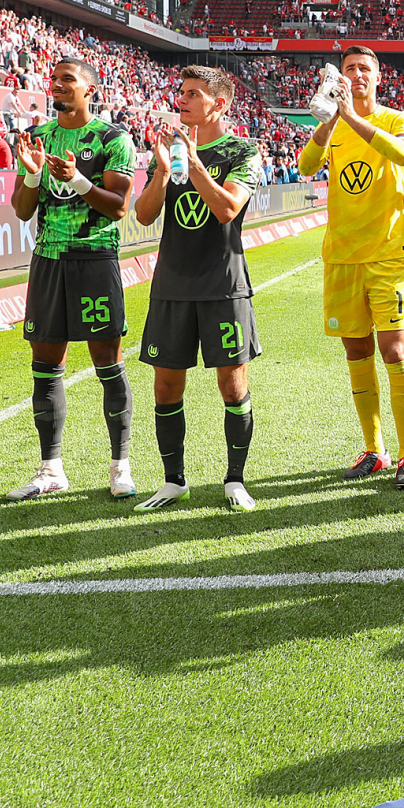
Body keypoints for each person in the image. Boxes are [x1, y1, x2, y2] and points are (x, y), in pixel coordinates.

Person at [130, 67, 263, 512]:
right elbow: (145, 216)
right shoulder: (167, 151)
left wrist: (197, 164)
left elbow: (226, 208)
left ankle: (235, 480)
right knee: (165, 388)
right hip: (172, 286)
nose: (182, 100)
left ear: (219, 104)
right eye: (181, 93)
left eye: (193, 94)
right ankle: (173, 481)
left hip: (223, 287)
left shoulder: (245, 150)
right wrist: (163, 175)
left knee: (232, 384)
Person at [7, 58, 136, 502]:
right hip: (48, 260)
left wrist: (78, 179)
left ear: (89, 90)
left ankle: (121, 466)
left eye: (69, 79)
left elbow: (118, 207)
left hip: (94, 258)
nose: (58, 85)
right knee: (45, 366)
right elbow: (23, 209)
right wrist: (32, 172)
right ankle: (51, 469)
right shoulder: (39, 138)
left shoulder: (112, 137)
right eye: (55, 79)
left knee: (107, 363)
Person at [297, 46, 404, 487]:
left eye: (364, 69)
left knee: (394, 349)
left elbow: (402, 155)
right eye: (349, 69)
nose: (356, 75)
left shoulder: (397, 119)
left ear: (377, 77)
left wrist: (349, 115)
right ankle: (375, 449)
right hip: (342, 256)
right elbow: (306, 165)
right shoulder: (331, 125)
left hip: (388, 253)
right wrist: (331, 118)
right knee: (356, 351)